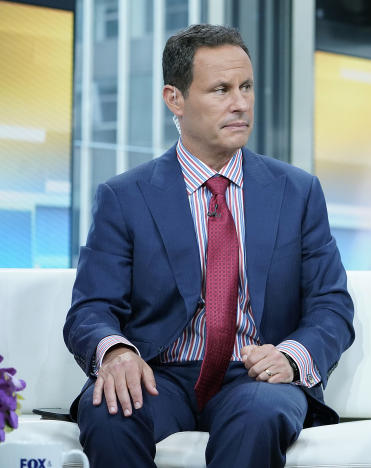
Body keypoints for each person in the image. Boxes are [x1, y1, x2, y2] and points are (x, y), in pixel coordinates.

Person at [63, 24, 354, 467]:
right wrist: (116, 352)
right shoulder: (124, 197)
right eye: (220, 89)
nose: (240, 104)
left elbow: (331, 305)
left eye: (246, 87)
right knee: (110, 409)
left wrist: (291, 359)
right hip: (161, 374)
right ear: (174, 99)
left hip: (256, 377)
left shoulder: (296, 192)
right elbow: (91, 309)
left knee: (262, 413)